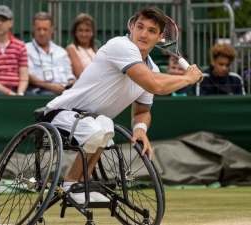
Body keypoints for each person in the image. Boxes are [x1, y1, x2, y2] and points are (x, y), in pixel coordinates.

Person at [42, 6, 203, 203]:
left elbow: (142, 111)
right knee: (96, 130)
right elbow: (154, 84)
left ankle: (82, 184)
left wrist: (141, 128)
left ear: (160, 36)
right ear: (132, 26)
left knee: (105, 125)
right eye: (140, 27)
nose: (143, 34)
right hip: (60, 113)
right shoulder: (120, 45)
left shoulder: (150, 67)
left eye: (152, 31)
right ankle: (71, 184)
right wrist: (187, 79)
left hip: (92, 120)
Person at [26, 12, 76, 95]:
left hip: (64, 90)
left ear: (52, 30)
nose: (42, 33)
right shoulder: (26, 49)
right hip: (41, 92)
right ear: (33, 29)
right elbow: (29, 77)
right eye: (39, 29)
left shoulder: (61, 51)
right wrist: (51, 87)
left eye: (45, 29)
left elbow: (69, 75)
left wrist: (70, 84)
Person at [66, 13, 97, 79]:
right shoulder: (71, 49)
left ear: (92, 33)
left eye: (87, 31)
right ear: (75, 33)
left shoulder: (95, 48)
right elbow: (80, 75)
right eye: (80, 30)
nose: (84, 34)